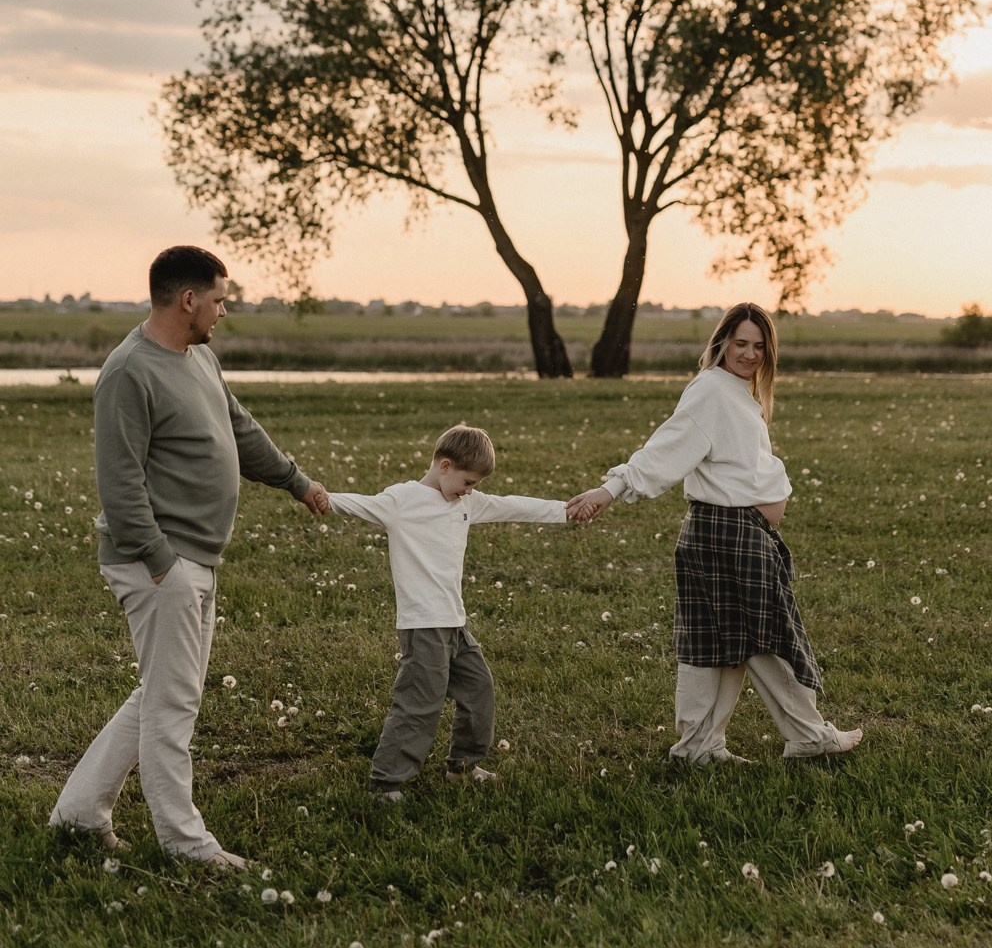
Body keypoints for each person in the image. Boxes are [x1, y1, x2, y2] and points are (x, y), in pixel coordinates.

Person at [49, 246, 328, 867]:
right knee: (173, 706)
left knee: (161, 693)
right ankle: (186, 843)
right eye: (220, 299)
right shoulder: (128, 372)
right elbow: (119, 485)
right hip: (159, 563)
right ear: (188, 300)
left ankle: (76, 815)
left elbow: (240, 428)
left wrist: (294, 480)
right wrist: (161, 563)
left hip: (194, 558)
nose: (224, 310)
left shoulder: (198, 356)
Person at [567, 303, 862, 765]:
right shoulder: (711, 391)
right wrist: (611, 489)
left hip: (725, 534)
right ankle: (808, 735)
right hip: (727, 535)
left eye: (759, 346)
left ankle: (699, 747)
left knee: (717, 645)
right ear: (721, 342)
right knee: (767, 637)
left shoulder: (735, 391)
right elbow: (665, 449)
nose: (750, 354)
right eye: (741, 343)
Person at [325, 423, 568, 797]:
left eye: (474, 486)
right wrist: (316, 494)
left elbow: (515, 505)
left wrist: (567, 511)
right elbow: (358, 503)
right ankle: (386, 781)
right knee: (419, 703)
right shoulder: (401, 501)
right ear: (444, 465)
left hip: (455, 623)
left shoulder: (466, 503)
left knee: (479, 689)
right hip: (423, 626)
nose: (469, 491)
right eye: (467, 481)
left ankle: (464, 766)